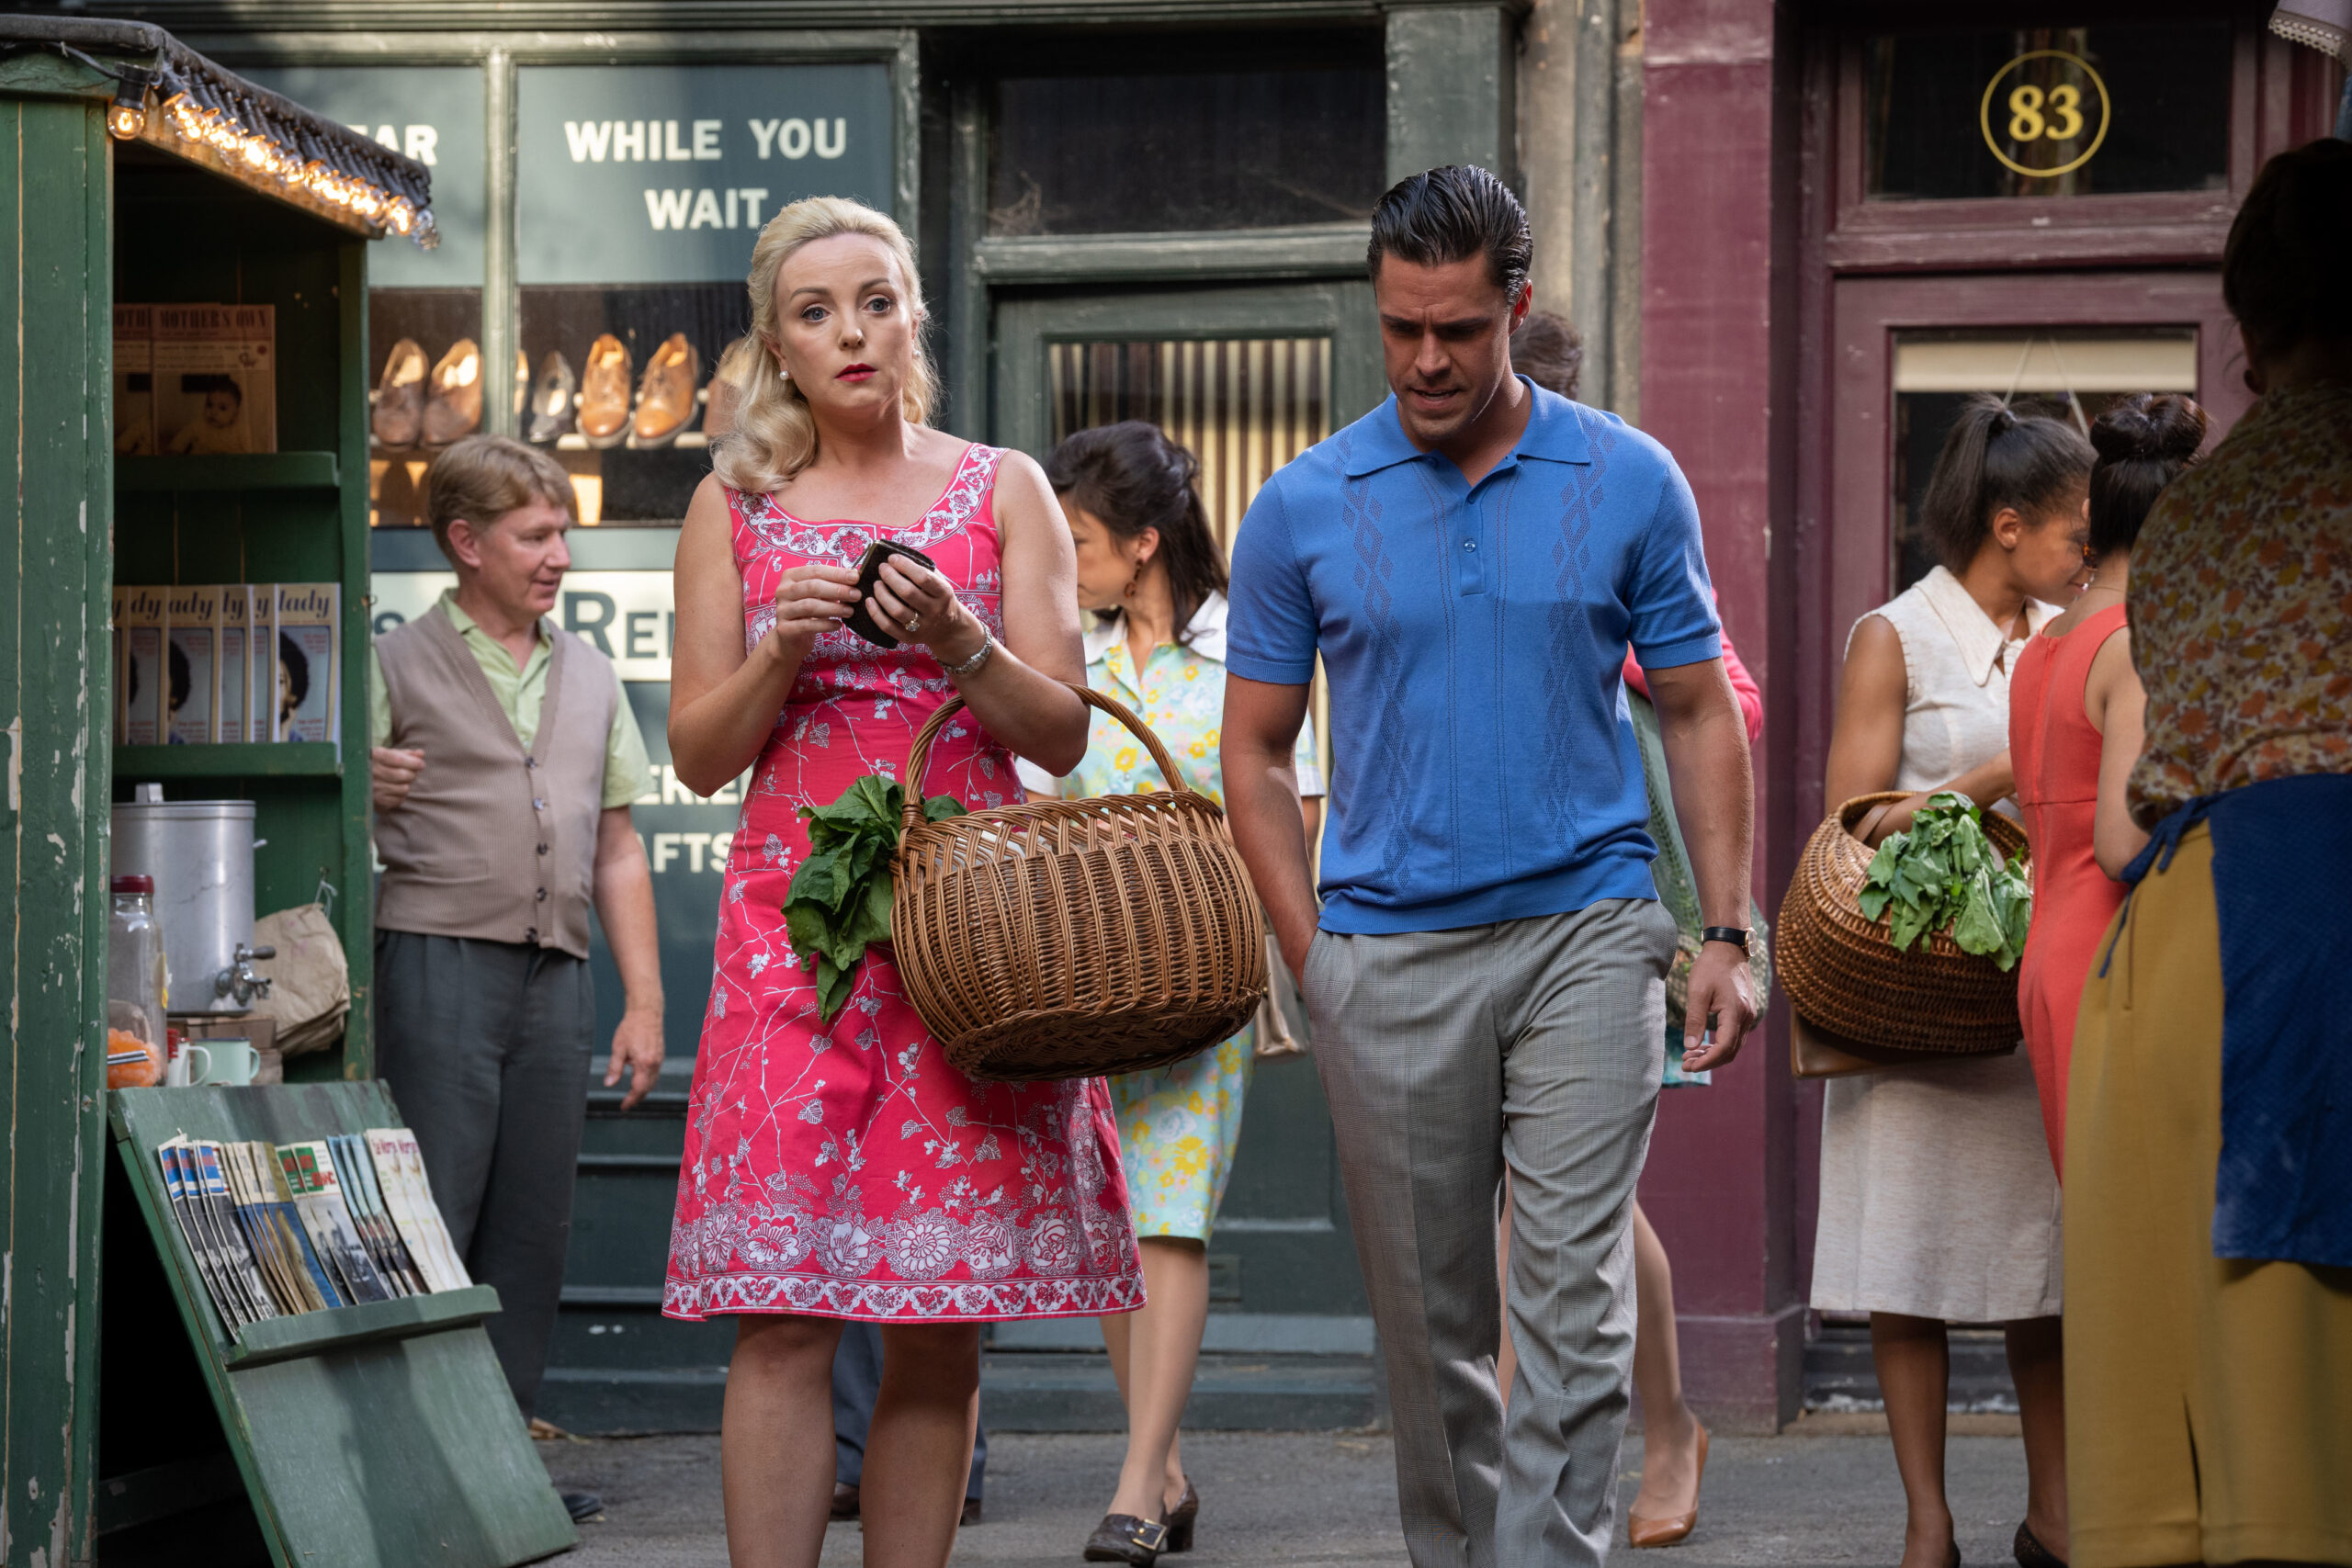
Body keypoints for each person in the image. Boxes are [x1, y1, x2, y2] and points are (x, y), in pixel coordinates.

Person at [1222, 165, 1760, 1568]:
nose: (1426, 358)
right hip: (1384, 954)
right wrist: (1311, 952)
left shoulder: (1629, 477)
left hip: (1587, 928)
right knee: (1432, 1330)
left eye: (1458, 327)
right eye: (1400, 326)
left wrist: (1725, 928)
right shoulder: (1304, 503)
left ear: (1516, 307)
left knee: (1574, 1307)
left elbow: (1699, 705)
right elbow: (1257, 752)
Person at [660, 195, 1142, 1568]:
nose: (851, 331)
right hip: (790, 944)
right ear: (777, 345)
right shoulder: (732, 502)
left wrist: (961, 638)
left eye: (874, 300)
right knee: (784, 1308)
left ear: (912, 312)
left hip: (966, 939)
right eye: (815, 313)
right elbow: (698, 754)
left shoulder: (1003, 486)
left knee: (938, 1308)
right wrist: (777, 656)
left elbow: (1060, 730)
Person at [2066, 137, 2352, 1568]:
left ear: (2254, 317)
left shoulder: (2197, 516)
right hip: (2311, 945)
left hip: (2190, 948)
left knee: (2226, 1443)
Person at [1014, 421, 1327, 1565]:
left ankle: (1139, 1481)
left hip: (1207, 978)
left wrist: (1287, 951)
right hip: (1085, 985)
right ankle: (1169, 1464)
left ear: (1143, 543)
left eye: (1080, 539)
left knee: (1170, 1218)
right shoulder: (1060, 654)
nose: (1065, 560)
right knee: (1111, 1219)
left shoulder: (1251, 646)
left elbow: (1297, 808)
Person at [1487, 310, 1767, 1551]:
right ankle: (1647, 1424)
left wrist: (1609, 652)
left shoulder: (1623, 507)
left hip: (1616, 907)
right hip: (1478, 899)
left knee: (1569, 1198)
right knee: (1540, 1196)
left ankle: (1621, 1438)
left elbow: (1728, 699)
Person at [368, 434, 666, 1522]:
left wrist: (643, 1001)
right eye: (535, 536)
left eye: (562, 534)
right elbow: (327, 808)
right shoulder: (392, 663)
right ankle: (413, 1469)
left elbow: (619, 846)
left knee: (532, 1226)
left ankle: (499, 1469)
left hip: (558, 975)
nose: (559, 557)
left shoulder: (587, 672)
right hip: (436, 958)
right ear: (465, 542)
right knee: (430, 1215)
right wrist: (371, 793)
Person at [1817, 397, 2092, 1568]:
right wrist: (1995, 773)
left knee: (2043, 1266)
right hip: (1917, 994)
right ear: (2009, 522)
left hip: (2025, 997)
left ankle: (2054, 1512)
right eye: (2077, 527)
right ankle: (1926, 1522)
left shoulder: (2068, 631)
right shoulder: (1895, 635)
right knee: (1907, 1265)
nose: (2089, 545)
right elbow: (1852, 817)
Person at [2007, 394, 2203, 1175]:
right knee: (2142, 1227)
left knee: (2094, 1224)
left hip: (2046, 955)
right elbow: (2122, 843)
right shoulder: (2134, 645)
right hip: (2117, 959)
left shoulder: (2040, 645)